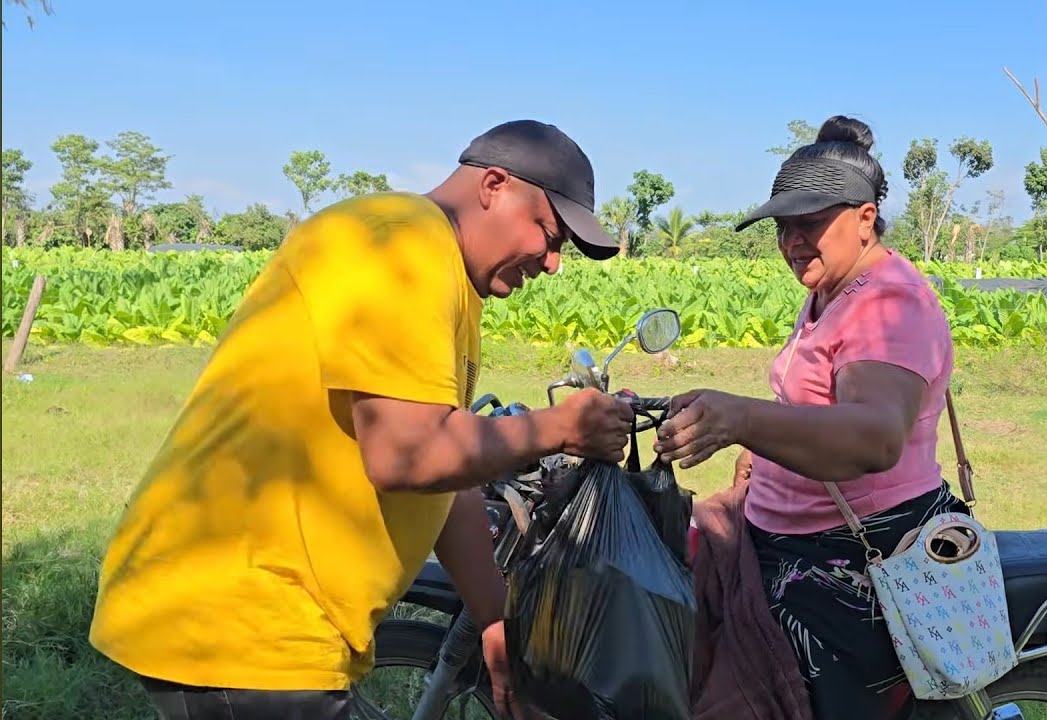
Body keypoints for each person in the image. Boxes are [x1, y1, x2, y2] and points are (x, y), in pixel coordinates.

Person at [89, 119, 635, 720]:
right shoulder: (401, 245)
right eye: (549, 233)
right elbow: (409, 454)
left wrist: (494, 620)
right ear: (495, 186)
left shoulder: (442, 273)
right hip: (241, 622)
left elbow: (445, 474)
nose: (554, 264)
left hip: (271, 625)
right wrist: (559, 428)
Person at [656, 115, 969, 720]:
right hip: (780, 528)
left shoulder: (888, 301)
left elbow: (874, 438)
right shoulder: (831, 290)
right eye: (784, 228)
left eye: (811, 224)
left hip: (851, 555)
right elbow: (812, 403)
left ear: (864, 219)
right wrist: (755, 453)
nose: (794, 242)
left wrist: (743, 420)